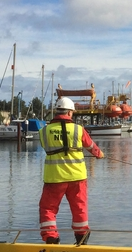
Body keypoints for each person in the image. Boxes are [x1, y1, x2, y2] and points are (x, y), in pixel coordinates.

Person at [38, 97, 104, 245]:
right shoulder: (78, 129)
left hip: (54, 177)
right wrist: (100, 154)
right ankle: (81, 240)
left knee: (48, 208)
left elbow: (45, 146)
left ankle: (51, 239)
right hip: (77, 177)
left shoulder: (44, 131)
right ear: (69, 113)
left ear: (57, 112)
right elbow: (91, 146)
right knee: (79, 208)